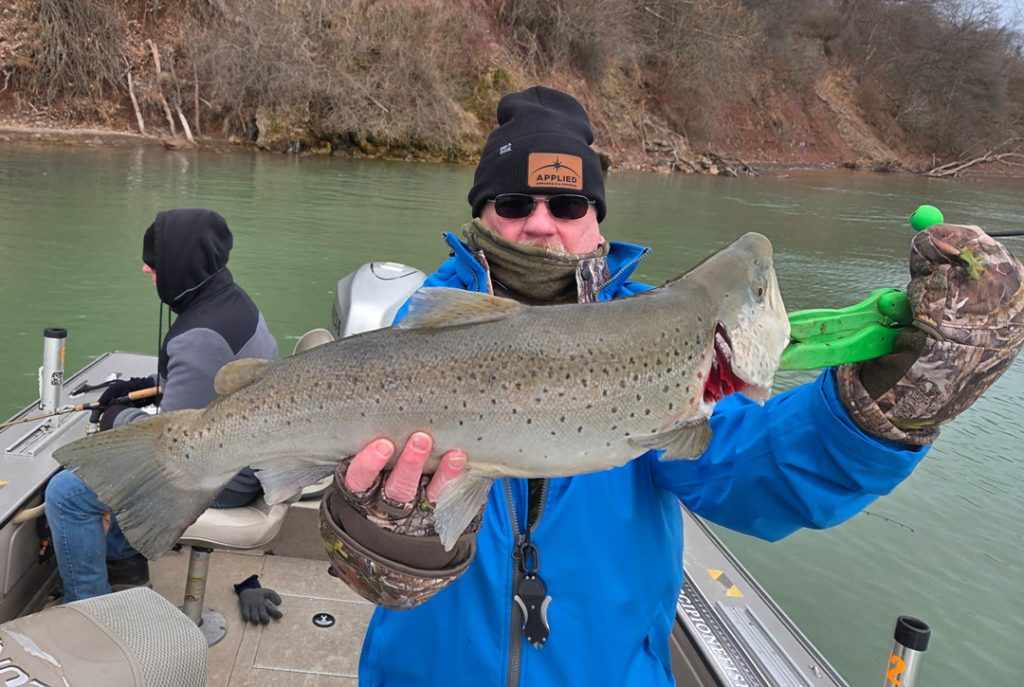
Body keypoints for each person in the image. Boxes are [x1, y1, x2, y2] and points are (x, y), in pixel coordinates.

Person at [318, 87, 1024, 685]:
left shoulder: (670, 340)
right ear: (481, 213)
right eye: (514, 200)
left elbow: (756, 469)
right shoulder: (409, 338)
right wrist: (371, 535)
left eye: (568, 206)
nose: (541, 223)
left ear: (596, 219)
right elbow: (356, 560)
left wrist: (877, 409)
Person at [45, 209, 283, 623]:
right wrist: (145, 386)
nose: (145, 268)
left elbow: (170, 451)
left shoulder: (199, 336)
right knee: (113, 467)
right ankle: (124, 562)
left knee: (67, 494)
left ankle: (89, 616)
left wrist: (115, 417)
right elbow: (210, 380)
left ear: (180, 265)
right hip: (245, 456)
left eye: (153, 261)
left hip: (220, 479)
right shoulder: (231, 301)